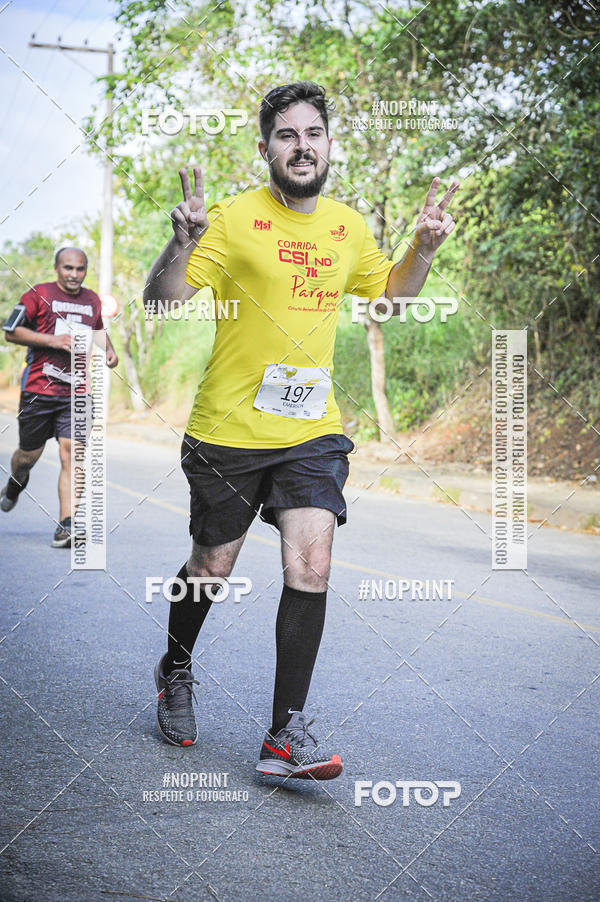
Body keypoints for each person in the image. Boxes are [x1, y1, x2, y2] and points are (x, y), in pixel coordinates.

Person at [144, 81, 457, 779]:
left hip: (311, 430)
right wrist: (179, 245)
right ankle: (175, 667)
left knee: (311, 565)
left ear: (329, 143)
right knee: (211, 567)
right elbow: (162, 303)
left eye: (313, 132)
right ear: (265, 149)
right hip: (228, 429)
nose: (302, 145)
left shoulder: (347, 227)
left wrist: (424, 252)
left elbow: (390, 299)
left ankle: (284, 736)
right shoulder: (228, 219)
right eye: (286, 135)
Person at [1, 247, 118, 547]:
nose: (74, 275)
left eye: (80, 269)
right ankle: (16, 483)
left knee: (72, 453)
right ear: (56, 268)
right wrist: (52, 340)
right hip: (39, 390)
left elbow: (98, 330)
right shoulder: (38, 294)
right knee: (28, 456)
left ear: (85, 271)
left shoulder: (92, 300)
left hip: (77, 392)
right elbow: (10, 332)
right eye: (68, 268)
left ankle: (66, 525)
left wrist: (110, 350)